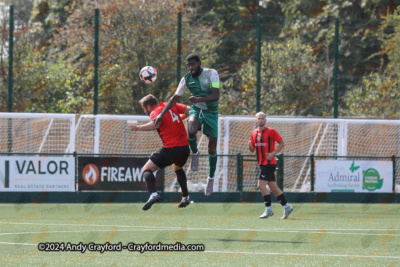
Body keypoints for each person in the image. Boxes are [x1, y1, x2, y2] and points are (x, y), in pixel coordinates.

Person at [153, 54, 220, 196]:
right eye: (188, 65)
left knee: (212, 149)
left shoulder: (212, 73)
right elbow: (174, 98)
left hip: (212, 112)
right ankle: (195, 152)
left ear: (199, 63)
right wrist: (161, 114)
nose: (191, 68)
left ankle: (211, 178)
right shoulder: (186, 79)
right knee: (191, 130)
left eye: (193, 65)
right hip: (197, 109)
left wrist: (199, 99)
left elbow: (216, 95)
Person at [129, 94, 191, 211]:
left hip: (171, 148)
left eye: (143, 109)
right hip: (185, 148)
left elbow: (155, 124)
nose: (144, 111)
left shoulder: (155, 112)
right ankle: (185, 196)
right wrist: (178, 118)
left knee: (146, 169)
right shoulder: (173, 105)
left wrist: (138, 128)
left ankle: (153, 195)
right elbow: (189, 111)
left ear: (148, 106)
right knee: (177, 167)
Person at [248, 112, 293, 219]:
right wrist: (249, 146)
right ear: (256, 120)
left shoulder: (271, 131)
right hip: (261, 163)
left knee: (260, 185)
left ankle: (268, 209)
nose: (261, 120)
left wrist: (273, 153)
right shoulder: (253, 133)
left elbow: (282, 143)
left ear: (265, 120)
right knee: (273, 187)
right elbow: (252, 150)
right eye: (259, 118)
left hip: (269, 163)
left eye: (263, 118)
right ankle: (287, 207)